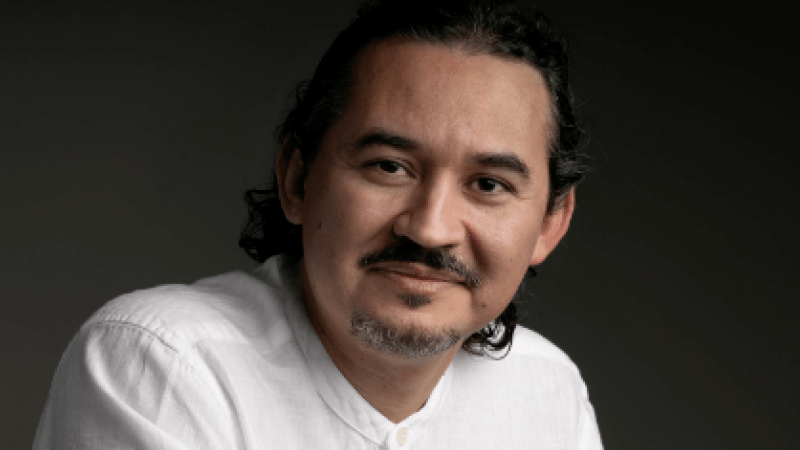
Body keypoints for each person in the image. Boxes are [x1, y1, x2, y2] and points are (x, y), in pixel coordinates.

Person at [34, 0, 603, 448]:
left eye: (488, 185)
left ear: (550, 223)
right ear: (297, 179)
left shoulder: (547, 389)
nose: (430, 230)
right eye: (388, 167)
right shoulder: (164, 362)